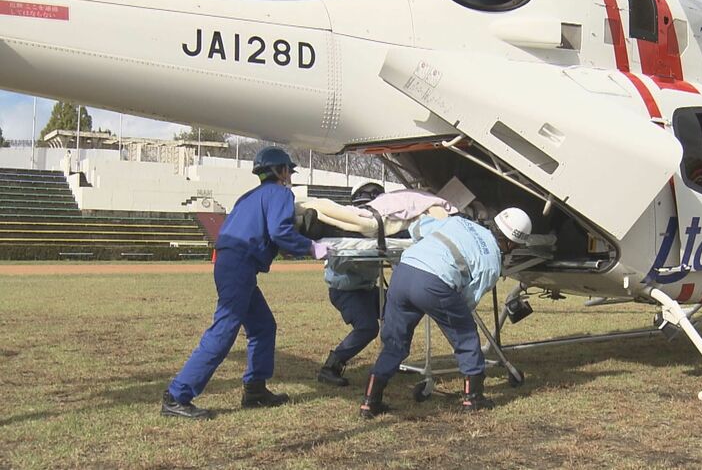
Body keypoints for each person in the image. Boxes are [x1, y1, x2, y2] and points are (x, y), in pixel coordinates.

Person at [161, 147, 324, 420]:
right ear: (280, 171)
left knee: (262, 326)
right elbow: (279, 231)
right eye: (288, 170)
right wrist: (311, 247)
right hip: (240, 265)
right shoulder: (282, 193)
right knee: (223, 332)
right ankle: (177, 395)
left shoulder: (247, 197)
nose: (290, 176)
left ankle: (256, 390)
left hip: (230, 262)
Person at [358, 207, 533, 418]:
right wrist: (448, 308)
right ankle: (473, 397)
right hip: (434, 283)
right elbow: (468, 301)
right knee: (466, 334)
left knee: (395, 341)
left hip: (403, 271)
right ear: (511, 243)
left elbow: (417, 228)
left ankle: (370, 401)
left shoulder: (460, 222)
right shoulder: (492, 262)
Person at [316, 182, 386, 387]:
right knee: (367, 327)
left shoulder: (379, 229)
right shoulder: (345, 230)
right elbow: (338, 260)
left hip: (367, 288)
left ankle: (391, 359)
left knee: (401, 310)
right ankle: (331, 366)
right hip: (346, 291)